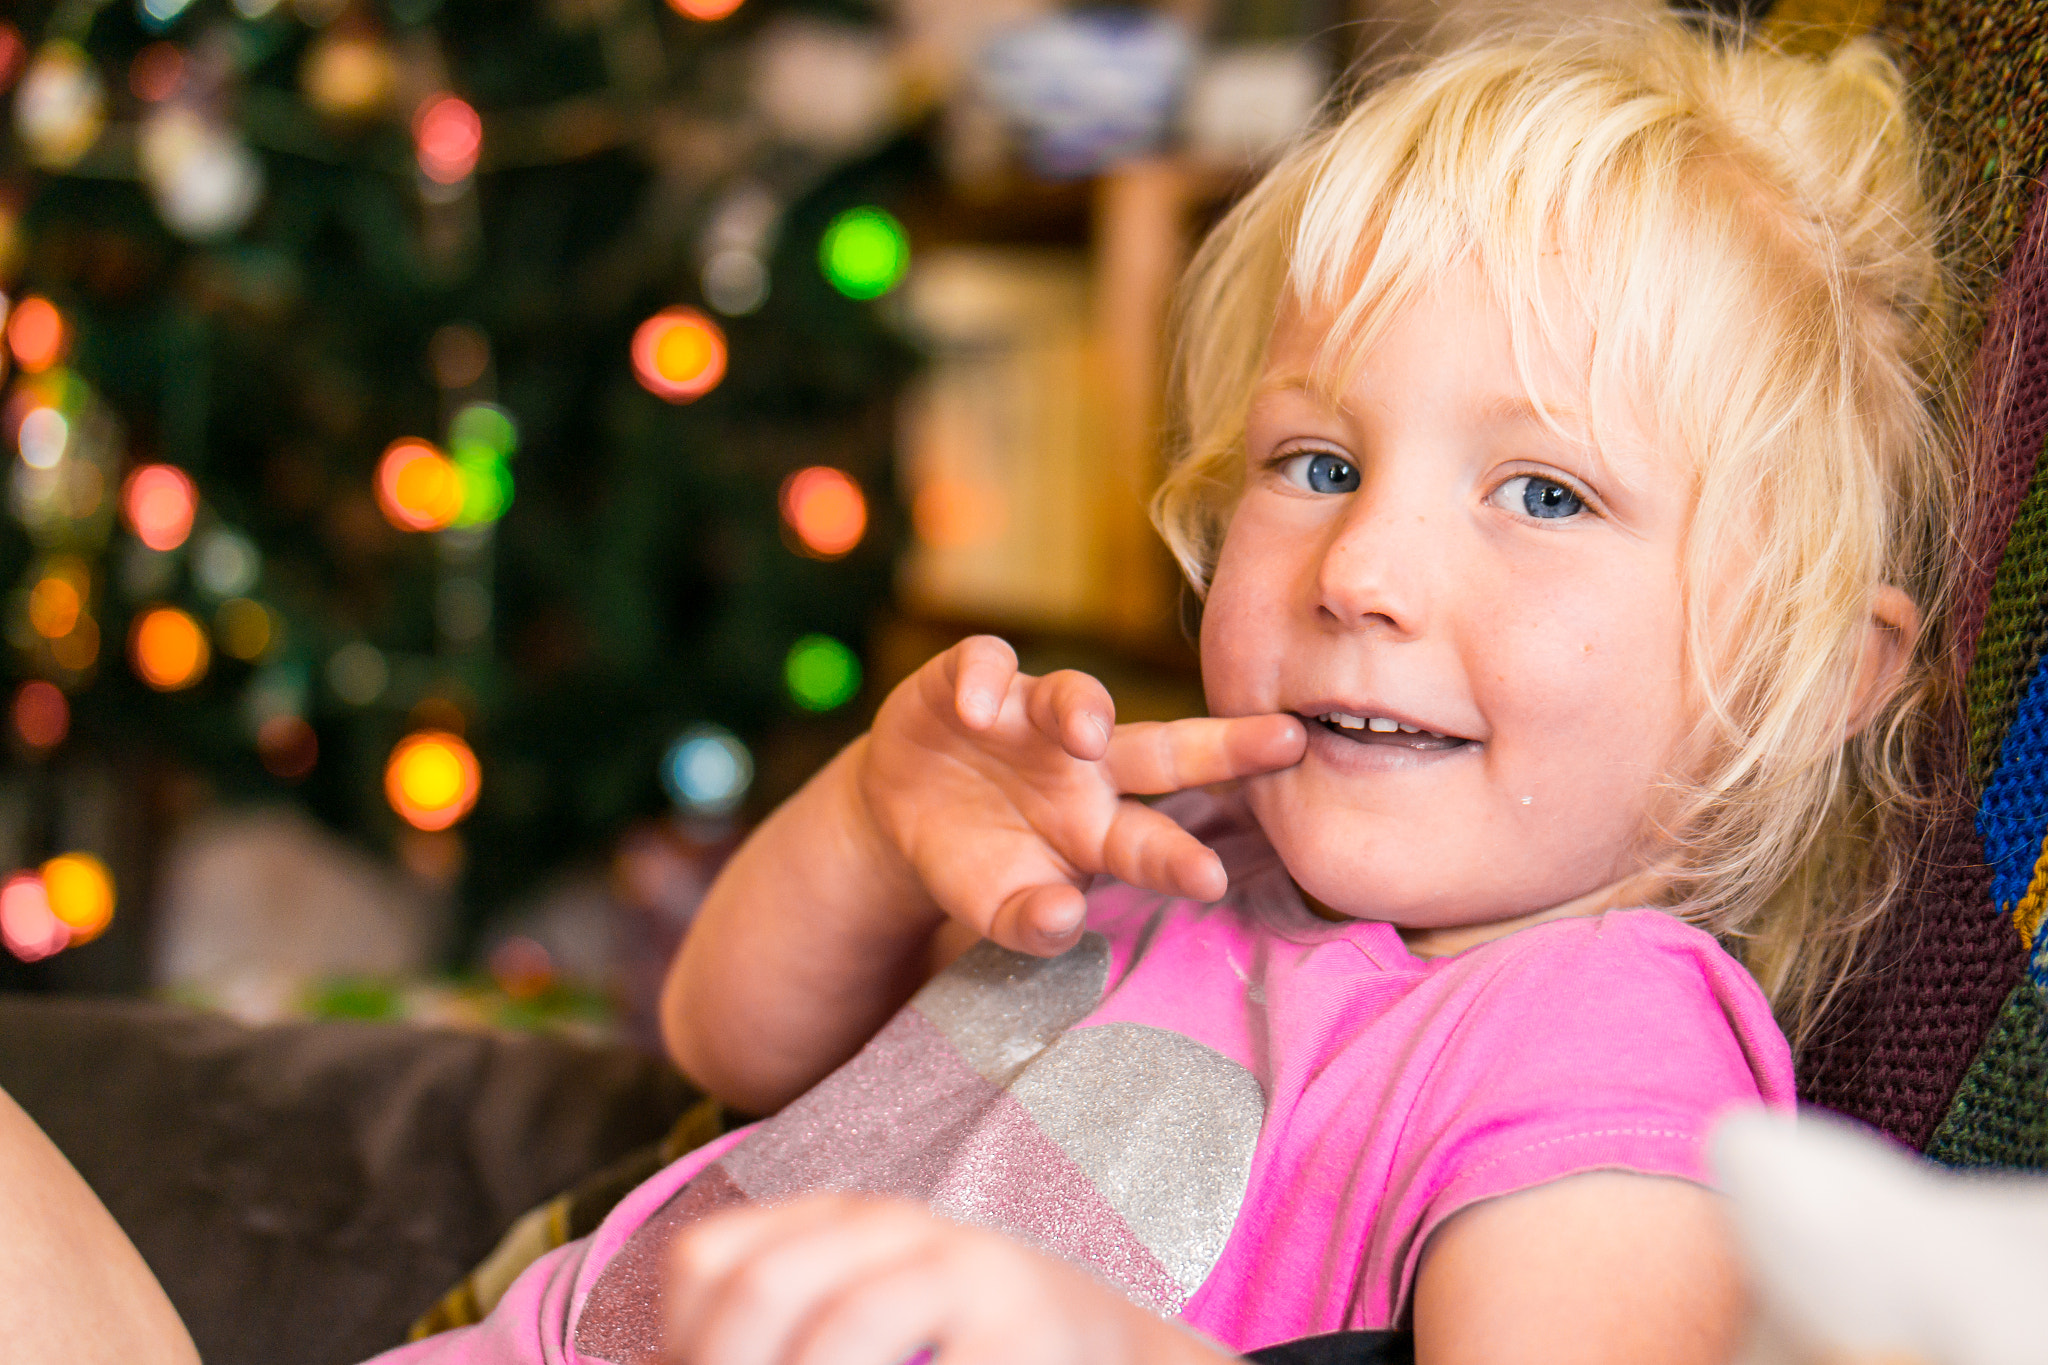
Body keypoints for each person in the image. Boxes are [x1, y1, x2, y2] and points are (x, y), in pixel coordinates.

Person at [0, 17, 1960, 1365]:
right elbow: (727, 1041)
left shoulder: (1593, 1033)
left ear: (1800, 681)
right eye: (1313, 461)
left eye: (1542, 492)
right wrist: (869, 821)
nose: (1362, 569)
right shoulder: (1168, 840)